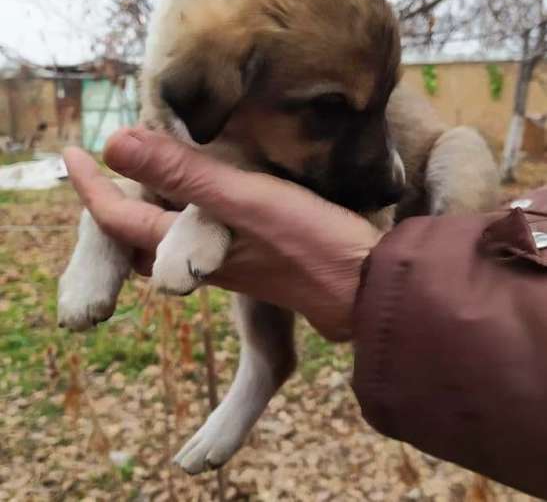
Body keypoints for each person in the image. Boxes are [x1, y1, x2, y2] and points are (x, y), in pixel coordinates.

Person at [63, 127, 547, 499]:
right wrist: (101, 232)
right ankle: (260, 370)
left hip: (421, 221)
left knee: (461, 147)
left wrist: (406, 282)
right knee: (245, 230)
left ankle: (270, 368)